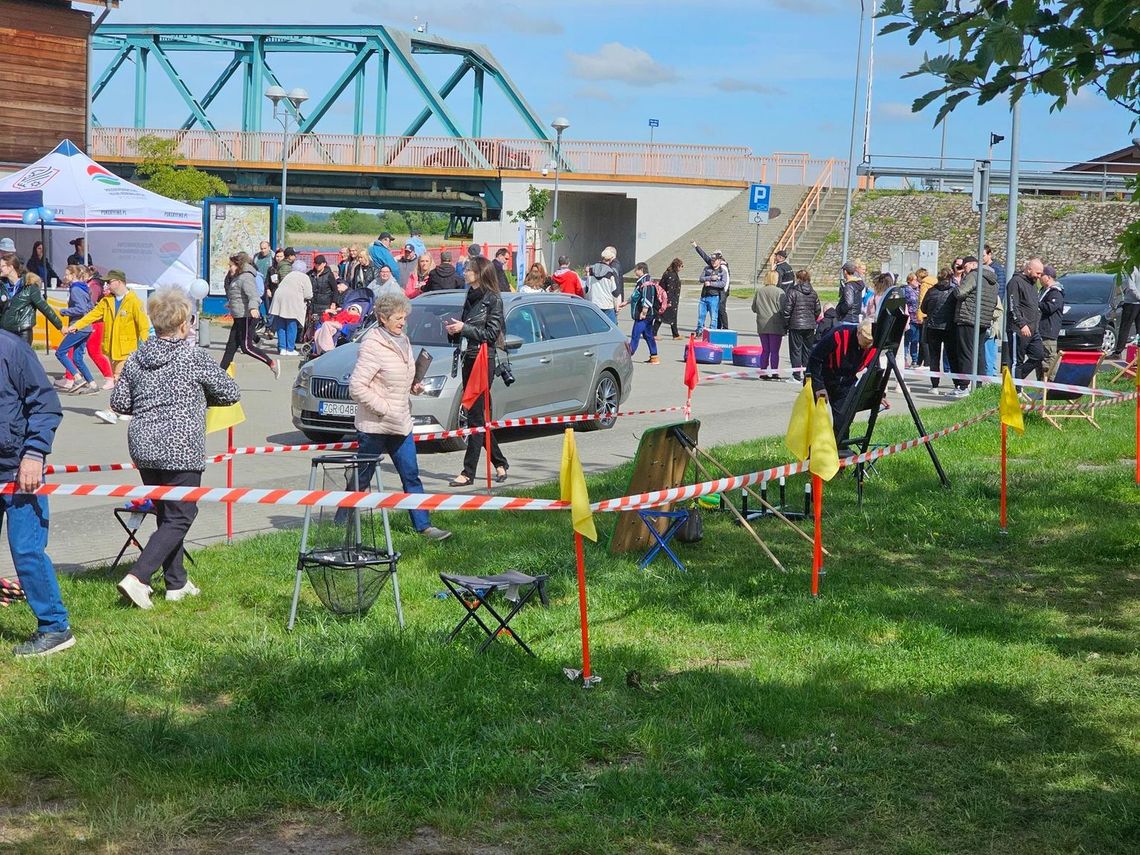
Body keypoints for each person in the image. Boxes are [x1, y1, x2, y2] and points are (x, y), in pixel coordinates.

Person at [110, 288, 241, 609]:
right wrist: (197, 399)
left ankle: (176, 582)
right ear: (184, 324)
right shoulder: (192, 356)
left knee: (167, 514)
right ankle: (139, 577)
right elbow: (230, 391)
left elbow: (118, 402)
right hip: (180, 446)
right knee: (182, 514)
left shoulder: (136, 358)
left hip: (143, 445)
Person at [347, 292, 452, 541]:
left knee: (411, 475)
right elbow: (357, 387)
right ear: (383, 318)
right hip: (374, 426)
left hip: (401, 423)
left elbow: (397, 379)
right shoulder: (372, 345)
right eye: (398, 318)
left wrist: (412, 387)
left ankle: (424, 527)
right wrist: (383, 408)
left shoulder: (403, 339)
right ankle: (341, 524)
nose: (403, 322)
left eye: (404, 317)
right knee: (361, 478)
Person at [0, 329, 74, 656]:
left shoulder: (11, 349)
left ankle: (55, 627)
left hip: (18, 471)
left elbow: (46, 404)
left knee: (27, 551)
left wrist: (33, 454)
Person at [444, 256, 509, 487]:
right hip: (468, 358)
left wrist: (465, 328)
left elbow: (492, 335)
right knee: (478, 417)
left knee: (474, 416)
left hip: (483, 360)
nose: (465, 272)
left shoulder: (493, 299)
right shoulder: (470, 296)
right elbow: (467, 330)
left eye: (469, 269)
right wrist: (454, 331)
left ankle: (468, 472)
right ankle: (500, 462)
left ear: (480, 273)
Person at [64, 269, 148, 414]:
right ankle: (129, 409)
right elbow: (92, 315)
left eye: (110, 282)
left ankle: (112, 410)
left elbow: (143, 326)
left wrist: (146, 347)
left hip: (128, 349)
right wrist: (75, 326)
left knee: (118, 378)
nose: (106, 284)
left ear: (119, 282)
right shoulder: (107, 301)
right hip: (111, 347)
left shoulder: (134, 302)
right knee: (123, 381)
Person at [219, 252, 279, 379]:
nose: (229, 268)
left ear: (238, 265)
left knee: (246, 347)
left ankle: (272, 363)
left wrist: (252, 308)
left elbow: (253, 295)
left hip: (247, 316)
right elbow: (238, 295)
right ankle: (219, 376)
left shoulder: (246, 277)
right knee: (231, 347)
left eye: (231, 265)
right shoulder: (237, 277)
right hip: (239, 316)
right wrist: (232, 304)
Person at [807, 319, 876, 422]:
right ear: (858, 332)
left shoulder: (871, 345)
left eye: (869, 343)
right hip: (823, 375)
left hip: (845, 382)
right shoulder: (838, 335)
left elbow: (873, 369)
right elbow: (815, 359)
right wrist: (818, 386)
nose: (866, 346)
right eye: (865, 342)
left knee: (844, 421)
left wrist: (879, 394)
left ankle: (839, 438)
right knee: (813, 420)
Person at [952, 255, 999, 396]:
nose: (964, 271)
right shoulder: (993, 281)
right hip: (983, 320)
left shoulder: (974, 275)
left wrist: (957, 285)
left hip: (967, 318)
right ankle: (978, 385)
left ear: (973, 265)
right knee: (979, 353)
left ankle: (963, 386)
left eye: (965, 267)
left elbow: (960, 293)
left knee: (966, 353)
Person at [53, 265, 98, 393]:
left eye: (67, 274)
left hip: (79, 326)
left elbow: (81, 309)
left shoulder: (75, 290)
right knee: (77, 358)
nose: (64, 276)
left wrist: (64, 311)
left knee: (60, 352)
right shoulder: (84, 288)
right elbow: (90, 307)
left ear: (73, 275)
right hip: (87, 327)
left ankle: (77, 378)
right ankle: (93, 385)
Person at [0, 253, 63, 344]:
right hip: (5, 332)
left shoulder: (29, 287)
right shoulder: (2, 286)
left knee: (22, 358)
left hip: (22, 332)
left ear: (11, 267)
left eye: (2, 266)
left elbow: (45, 308)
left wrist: (60, 326)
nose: (0, 268)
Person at [1006, 258, 1045, 379]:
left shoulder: (1033, 284)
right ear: (1029, 269)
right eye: (1037, 273)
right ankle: (1014, 390)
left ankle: (1016, 379)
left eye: (1041, 274)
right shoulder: (1015, 282)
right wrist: (1022, 324)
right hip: (1019, 329)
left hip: (1033, 329)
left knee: (1038, 355)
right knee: (1017, 360)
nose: (1039, 276)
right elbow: (1013, 305)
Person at [781, 269, 821, 384]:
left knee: (795, 351)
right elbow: (818, 309)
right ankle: (807, 374)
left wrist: (786, 324)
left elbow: (787, 310)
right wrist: (813, 319)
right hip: (810, 325)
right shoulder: (813, 292)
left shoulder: (793, 291)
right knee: (807, 350)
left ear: (798, 279)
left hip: (796, 325)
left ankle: (796, 375)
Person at [920, 268, 957, 392]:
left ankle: (934, 385)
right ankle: (957, 384)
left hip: (932, 327)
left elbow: (923, 308)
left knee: (934, 358)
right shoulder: (953, 291)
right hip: (949, 327)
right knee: (952, 356)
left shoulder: (931, 291)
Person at [751, 270, 786, 379]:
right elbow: (783, 309)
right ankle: (775, 372)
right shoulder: (780, 292)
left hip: (762, 323)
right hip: (775, 324)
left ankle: (763, 372)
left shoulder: (760, 291)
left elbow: (754, 308)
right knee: (775, 351)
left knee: (765, 350)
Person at [271, 267, 312, 355]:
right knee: (291, 325)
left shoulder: (288, 275)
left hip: (278, 300)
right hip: (292, 302)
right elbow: (308, 294)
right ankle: (290, 349)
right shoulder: (304, 277)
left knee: (281, 325)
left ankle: (282, 348)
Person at [628, 262, 660, 364]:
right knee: (648, 334)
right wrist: (625, 302)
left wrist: (643, 312)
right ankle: (654, 356)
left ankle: (628, 355)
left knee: (635, 335)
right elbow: (636, 295)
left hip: (644, 314)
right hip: (649, 314)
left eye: (636, 269)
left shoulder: (646, 282)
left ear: (641, 270)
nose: (634, 272)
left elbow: (647, 298)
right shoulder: (644, 281)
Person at [693, 243, 726, 337]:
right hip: (704, 296)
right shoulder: (707, 268)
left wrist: (711, 283)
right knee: (701, 316)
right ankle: (699, 331)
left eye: (715, 261)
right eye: (712, 260)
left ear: (719, 261)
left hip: (714, 296)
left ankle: (712, 333)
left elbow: (722, 283)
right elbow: (701, 279)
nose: (713, 262)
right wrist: (710, 278)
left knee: (714, 317)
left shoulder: (722, 271)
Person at [1038, 265, 1064, 378]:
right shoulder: (1044, 290)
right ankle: (1042, 383)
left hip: (1049, 330)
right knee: (1041, 358)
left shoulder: (1055, 292)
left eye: (1041, 275)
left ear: (1048, 277)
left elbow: (1050, 308)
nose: (1039, 278)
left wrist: (1037, 304)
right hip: (1041, 330)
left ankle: (1051, 383)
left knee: (1050, 358)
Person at [586, 248, 621, 323]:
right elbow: (615, 292)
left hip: (594, 304)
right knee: (612, 328)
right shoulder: (611, 272)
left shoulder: (591, 270)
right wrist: (617, 306)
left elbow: (587, 288)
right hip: (607, 305)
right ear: (611, 259)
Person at [1112, 266, 1140, 360]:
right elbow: (1130, 286)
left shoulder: (1132, 268)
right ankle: (1118, 352)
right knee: (1125, 327)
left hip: (1132, 303)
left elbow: (1131, 287)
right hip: (1132, 302)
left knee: (1125, 327)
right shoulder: (1132, 269)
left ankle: (1118, 352)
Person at [653, 257, 683, 339]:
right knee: (661, 316)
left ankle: (675, 334)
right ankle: (653, 333)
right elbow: (670, 289)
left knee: (672, 316)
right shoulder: (672, 275)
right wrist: (668, 301)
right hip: (668, 299)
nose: (682, 268)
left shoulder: (668, 273)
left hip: (666, 298)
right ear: (677, 266)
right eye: (681, 266)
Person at [308, 254, 337, 319]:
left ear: (324, 264)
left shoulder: (329, 275)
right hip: (313, 304)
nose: (317, 266)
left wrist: (333, 302)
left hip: (325, 304)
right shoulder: (310, 274)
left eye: (319, 264)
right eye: (316, 264)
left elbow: (335, 290)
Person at [902, 273, 921, 368]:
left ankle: (915, 359)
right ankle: (904, 358)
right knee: (907, 340)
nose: (917, 282)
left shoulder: (918, 290)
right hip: (910, 318)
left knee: (915, 340)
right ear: (909, 281)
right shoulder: (906, 290)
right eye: (915, 280)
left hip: (917, 319)